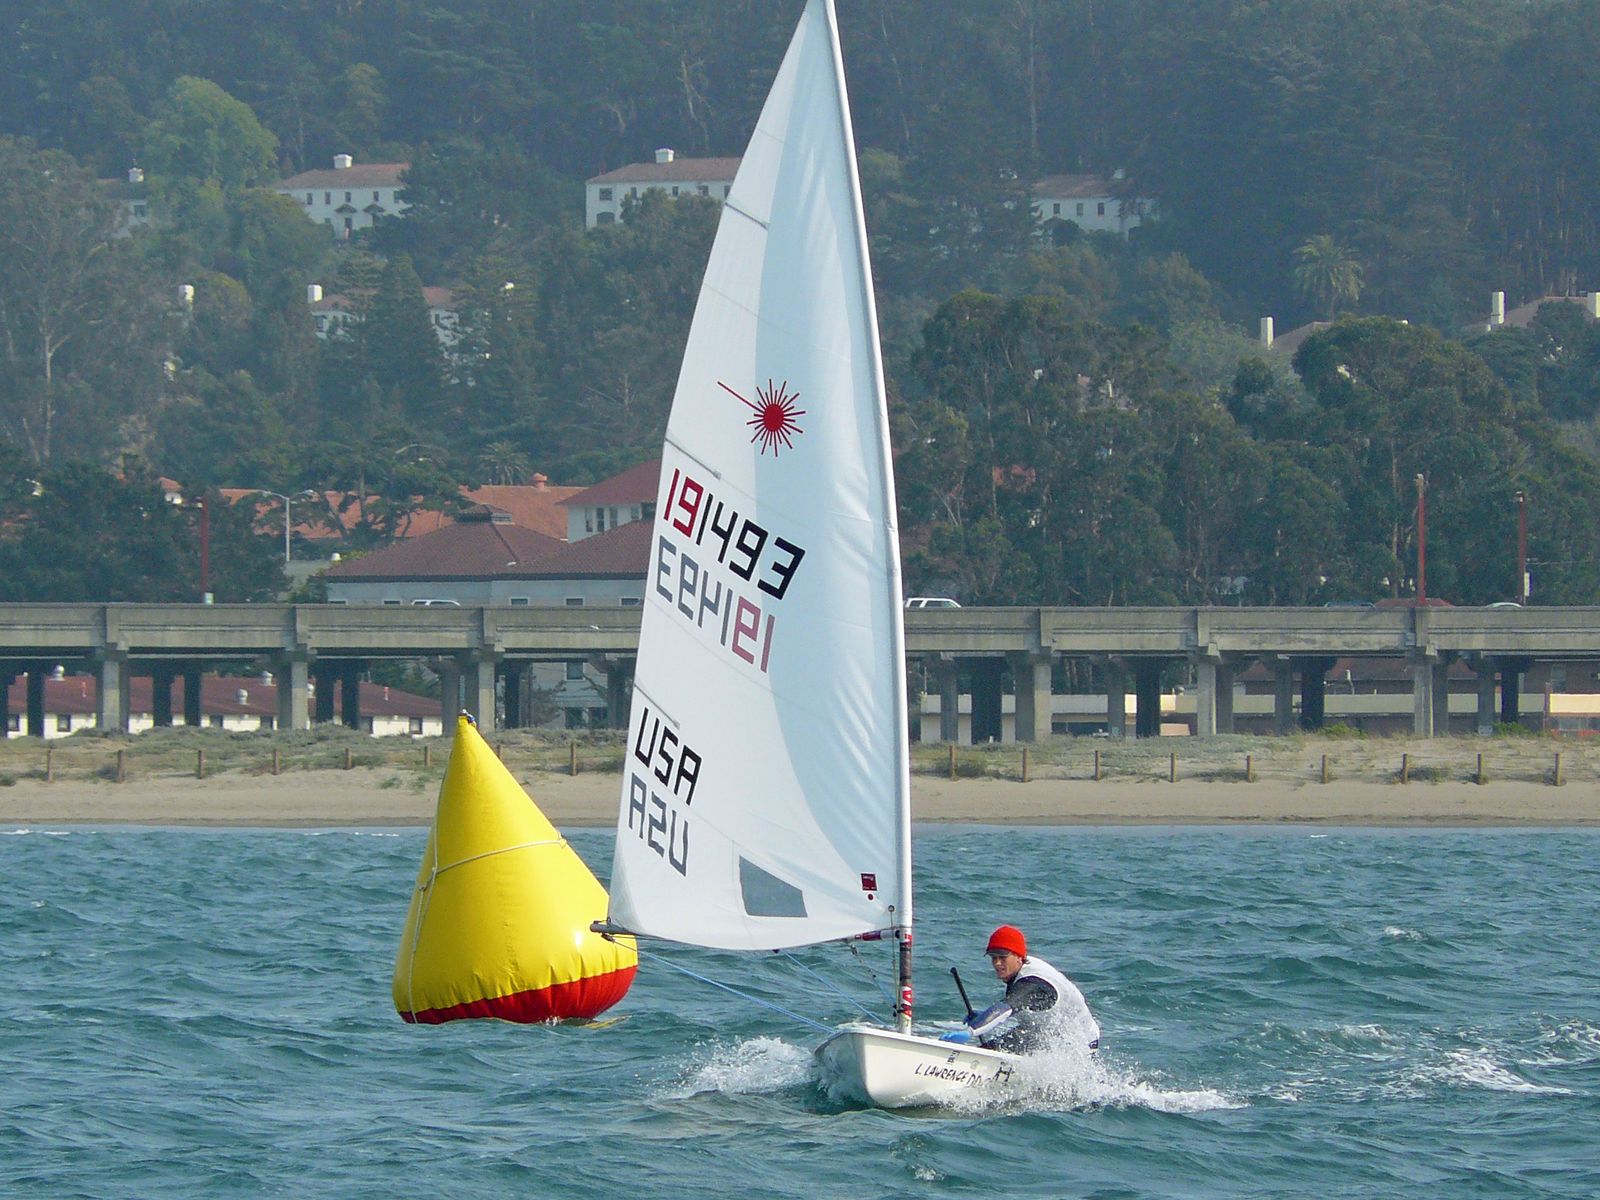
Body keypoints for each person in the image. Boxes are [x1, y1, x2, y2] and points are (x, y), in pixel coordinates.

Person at [945, 924, 1100, 1053]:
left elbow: (1005, 1009)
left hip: (1079, 1044)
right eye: (993, 958)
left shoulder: (1033, 983)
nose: (997, 963)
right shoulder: (1018, 971)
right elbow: (1018, 1009)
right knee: (990, 1050)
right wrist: (983, 1017)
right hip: (1042, 1031)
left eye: (1002, 957)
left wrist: (970, 1031)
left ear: (1018, 957)